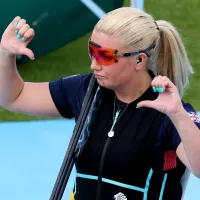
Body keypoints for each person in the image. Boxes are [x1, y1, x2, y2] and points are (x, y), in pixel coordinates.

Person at [0, 7, 200, 200]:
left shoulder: (170, 112)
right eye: (92, 50)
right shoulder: (85, 89)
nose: (93, 64)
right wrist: (5, 53)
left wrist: (178, 115)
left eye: (105, 56)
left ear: (139, 60)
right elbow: (14, 97)